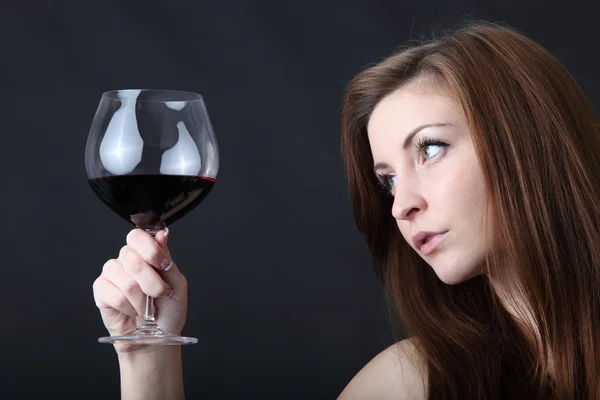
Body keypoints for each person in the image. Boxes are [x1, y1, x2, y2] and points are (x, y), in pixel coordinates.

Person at [93, 20, 600, 399]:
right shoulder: (414, 382)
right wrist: (148, 357)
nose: (401, 205)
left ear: (529, 142)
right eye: (387, 181)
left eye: (430, 148)